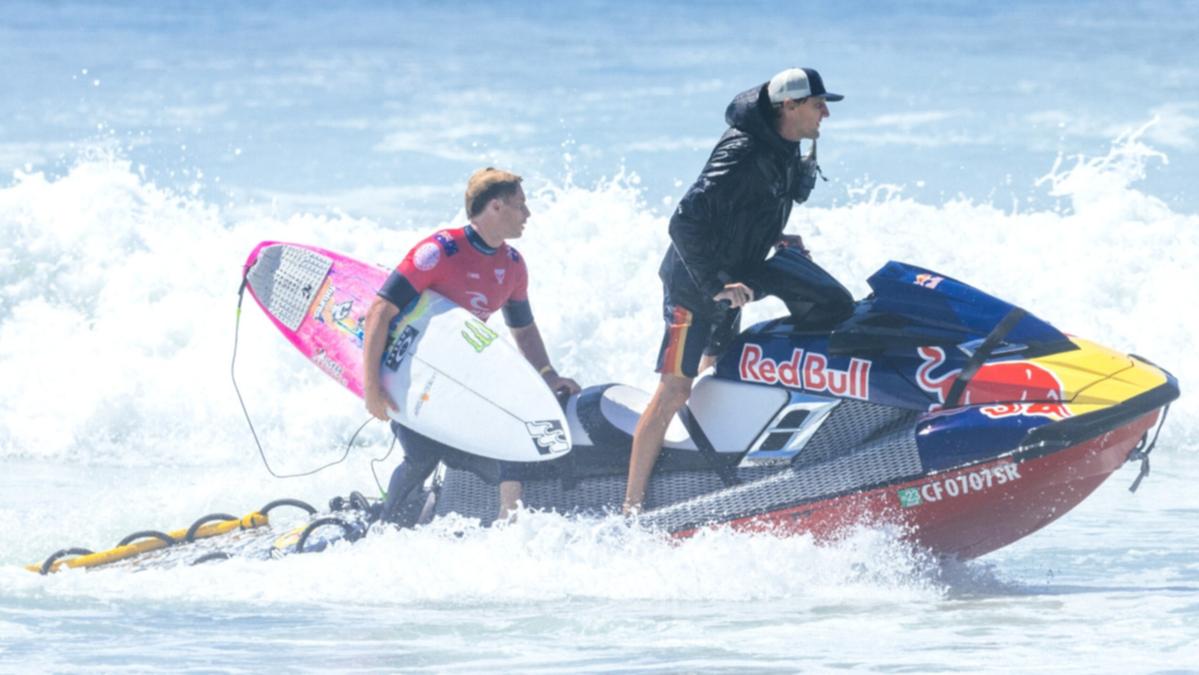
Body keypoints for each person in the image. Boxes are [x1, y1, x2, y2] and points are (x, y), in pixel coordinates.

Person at [624, 68, 855, 513]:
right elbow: (684, 220)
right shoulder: (742, 152)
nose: (825, 113)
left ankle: (708, 466)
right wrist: (715, 285)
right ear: (789, 106)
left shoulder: (785, 147)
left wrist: (775, 241)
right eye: (817, 104)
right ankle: (630, 509)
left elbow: (746, 211)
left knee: (719, 369)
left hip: (737, 279)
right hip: (696, 289)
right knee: (675, 390)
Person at [361, 167, 580, 525]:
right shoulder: (438, 252)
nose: (528, 215)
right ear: (496, 207)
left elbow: (523, 329)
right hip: (412, 371)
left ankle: (506, 526)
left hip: (465, 380)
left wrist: (548, 374)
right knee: (420, 456)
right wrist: (372, 387)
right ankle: (384, 527)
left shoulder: (512, 265)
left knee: (510, 440)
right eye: (520, 206)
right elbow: (379, 313)